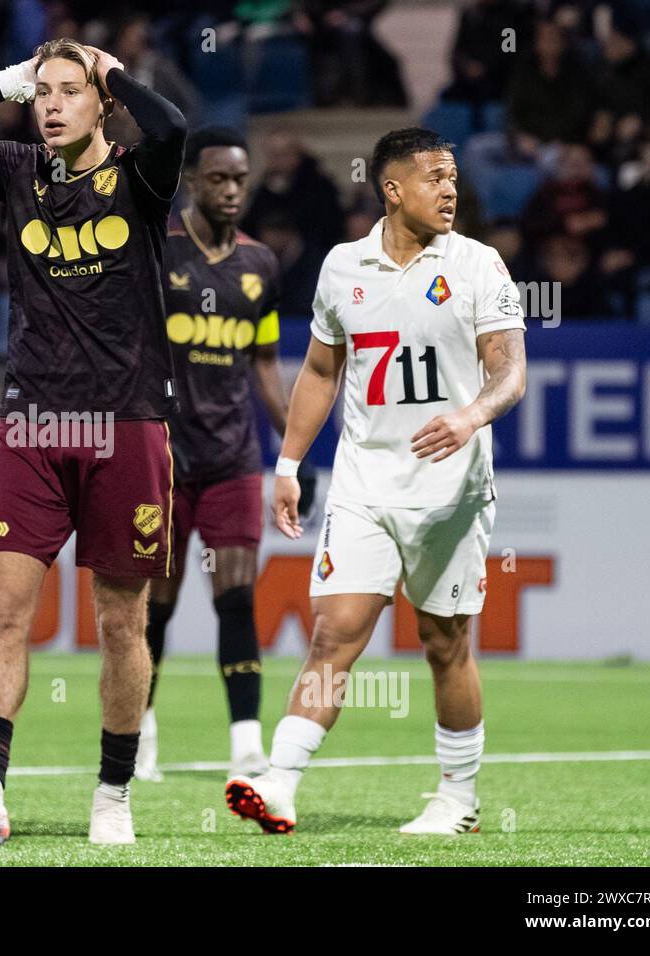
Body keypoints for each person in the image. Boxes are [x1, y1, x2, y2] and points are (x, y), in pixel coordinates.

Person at [0, 38, 186, 844]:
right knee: (4, 615)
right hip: (31, 423)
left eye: (68, 92)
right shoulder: (18, 168)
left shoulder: (139, 175)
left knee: (122, 622)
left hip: (127, 421)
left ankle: (114, 795)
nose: (50, 105)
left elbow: (175, 127)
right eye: (40, 93)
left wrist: (114, 70)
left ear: (102, 105)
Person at [228, 128, 527, 835]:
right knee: (335, 632)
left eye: (453, 176)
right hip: (365, 481)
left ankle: (458, 799)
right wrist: (289, 464)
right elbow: (322, 373)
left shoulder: (480, 265)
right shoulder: (342, 267)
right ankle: (279, 782)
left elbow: (510, 370)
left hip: (451, 487)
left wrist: (471, 416)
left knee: (443, 638)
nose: (450, 188)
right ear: (392, 189)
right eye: (433, 176)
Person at [135, 127, 288, 782]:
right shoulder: (157, 248)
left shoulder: (261, 267)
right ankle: (139, 729)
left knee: (236, 597)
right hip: (162, 458)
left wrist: (296, 440)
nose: (231, 191)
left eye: (240, 180)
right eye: (219, 179)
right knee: (157, 604)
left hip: (232, 455)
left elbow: (264, 361)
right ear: (192, 181)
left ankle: (247, 743)